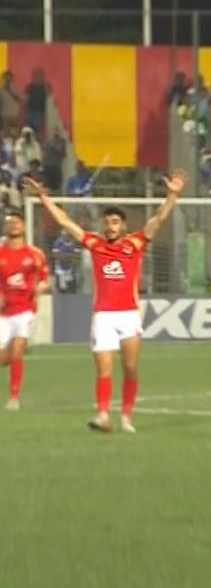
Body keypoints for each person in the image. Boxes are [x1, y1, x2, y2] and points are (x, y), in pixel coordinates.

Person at [24, 173, 186, 433]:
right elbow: (65, 221)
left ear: (123, 226)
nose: (110, 226)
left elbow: (158, 219)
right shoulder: (95, 244)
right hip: (104, 316)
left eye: (115, 222)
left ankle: (126, 417)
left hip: (129, 315)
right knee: (103, 368)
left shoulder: (135, 244)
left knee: (130, 368)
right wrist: (43, 197)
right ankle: (102, 415)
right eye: (107, 222)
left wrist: (172, 195)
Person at [0, 210, 49, 410]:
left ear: (24, 226)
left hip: (25, 310)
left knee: (17, 352)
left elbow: (45, 279)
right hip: (4, 313)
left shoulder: (35, 254)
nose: (14, 225)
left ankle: (14, 398)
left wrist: (40, 288)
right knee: (4, 358)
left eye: (18, 222)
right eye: (11, 222)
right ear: (6, 227)